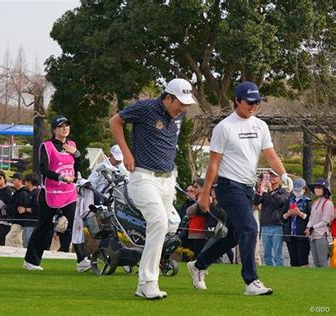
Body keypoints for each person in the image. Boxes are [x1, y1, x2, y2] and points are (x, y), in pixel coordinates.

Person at [188, 81, 292, 296]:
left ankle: (198, 265)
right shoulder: (224, 127)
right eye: (249, 102)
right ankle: (251, 281)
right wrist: (205, 195)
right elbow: (214, 164)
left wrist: (283, 174)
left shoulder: (260, 126)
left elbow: (270, 154)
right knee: (250, 229)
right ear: (237, 101)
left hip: (247, 187)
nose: (253, 106)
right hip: (228, 186)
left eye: (257, 102)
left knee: (235, 235)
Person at [109, 78, 195, 299]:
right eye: (181, 103)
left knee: (164, 227)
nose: (184, 109)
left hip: (167, 180)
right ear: (168, 97)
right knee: (158, 221)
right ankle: (148, 282)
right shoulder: (145, 108)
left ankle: (143, 285)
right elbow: (115, 121)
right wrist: (126, 153)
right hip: (143, 177)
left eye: (187, 104)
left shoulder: (179, 114)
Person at [24, 115, 91, 272]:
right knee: (43, 227)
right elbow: (43, 169)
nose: (65, 128)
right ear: (54, 129)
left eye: (67, 125)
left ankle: (82, 260)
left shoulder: (72, 145)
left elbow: (77, 167)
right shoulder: (46, 146)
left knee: (76, 224)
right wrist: (60, 177)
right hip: (51, 194)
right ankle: (31, 261)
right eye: (61, 126)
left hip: (69, 193)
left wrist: (77, 154)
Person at [254, 170, 289, 266]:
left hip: (277, 225)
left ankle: (280, 273)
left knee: (277, 254)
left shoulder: (284, 192)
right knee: (267, 254)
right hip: (265, 225)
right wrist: (259, 190)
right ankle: (270, 272)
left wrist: (271, 191)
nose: (271, 178)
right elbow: (255, 202)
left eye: (274, 176)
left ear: (279, 179)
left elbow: (281, 202)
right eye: (270, 176)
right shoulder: (264, 192)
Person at [280, 178, 312, 267]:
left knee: (303, 261)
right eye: (295, 190)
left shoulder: (308, 202)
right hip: (290, 235)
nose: (297, 192)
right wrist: (287, 214)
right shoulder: (289, 200)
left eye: (299, 190)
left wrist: (300, 214)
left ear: (304, 189)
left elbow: (311, 219)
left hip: (302, 235)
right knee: (293, 261)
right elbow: (281, 218)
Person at [305, 178, 334, 267]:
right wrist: (308, 228)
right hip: (313, 235)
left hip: (322, 235)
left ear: (324, 190)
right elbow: (311, 218)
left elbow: (325, 221)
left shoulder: (328, 203)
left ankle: (325, 280)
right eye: (315, 187)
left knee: (322, 261)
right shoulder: (315, 202)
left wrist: (312, 228)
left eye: (319, 187)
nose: (316, 189)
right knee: (316, 261)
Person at [5, 172, 30, 247]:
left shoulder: (24, 194)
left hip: (19, 222)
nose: (13, 181)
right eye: (13, 179)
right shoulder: (17, 193)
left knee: (9, 238)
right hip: (15, 221)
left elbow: (21, 208)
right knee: (18, 241)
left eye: (15, 179)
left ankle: (8, 254)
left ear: (20, 180)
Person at [21, 173, 40, 247]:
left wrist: (25, 209)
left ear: (29, 182)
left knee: (29, 244)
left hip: (33, 223)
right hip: (27, 222)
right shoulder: (30, 193)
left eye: (25, 181)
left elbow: (37, 209)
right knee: (25, 243)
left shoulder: (36, 193)